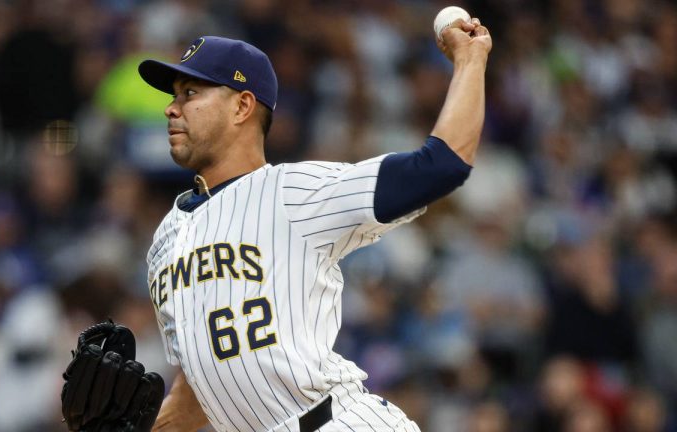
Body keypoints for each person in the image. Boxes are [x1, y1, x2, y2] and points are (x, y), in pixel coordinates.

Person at [138, 16, 491, 432]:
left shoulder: (292, 192)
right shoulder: (164, 240)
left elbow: (439, 166)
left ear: (242, 106)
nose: (171, 107)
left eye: (190, 92)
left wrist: (470, 60)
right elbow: (203, 384)